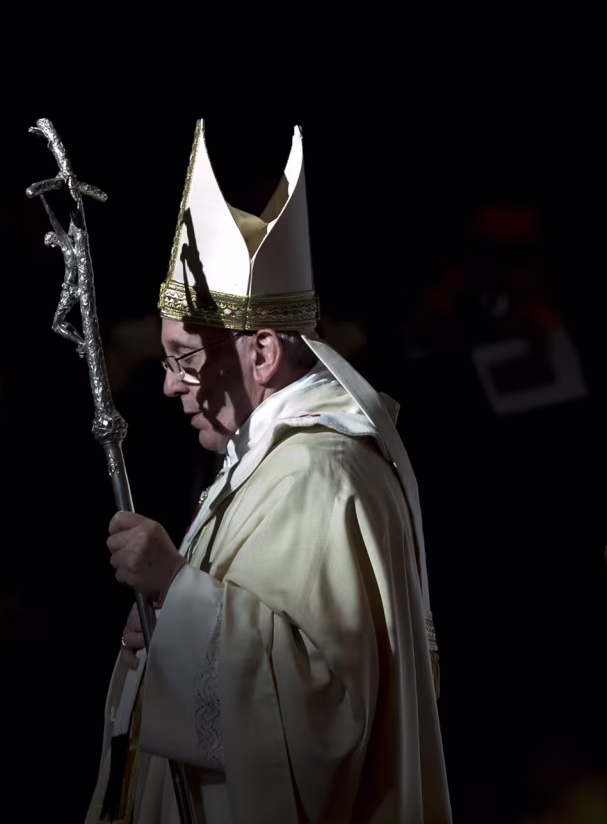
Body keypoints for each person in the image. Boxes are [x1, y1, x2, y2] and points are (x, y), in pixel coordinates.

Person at [85, 120, 451, 823]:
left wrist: (175, 590)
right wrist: (167, 630)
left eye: (186, 357)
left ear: (260, 355)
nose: (171, 386)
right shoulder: (266, 460)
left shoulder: (320, 475)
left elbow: (327, 716)